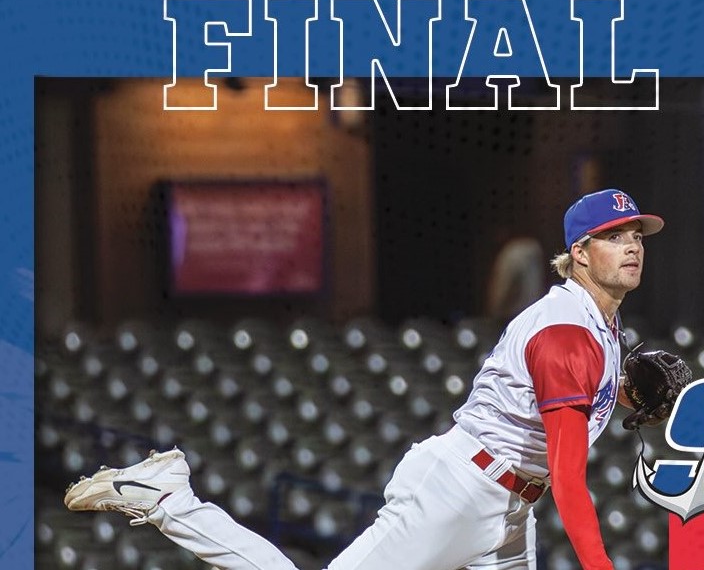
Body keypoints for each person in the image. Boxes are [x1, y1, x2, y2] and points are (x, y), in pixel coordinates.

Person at [65, 188, 664, 570]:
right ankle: (169, 499)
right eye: (615, 237)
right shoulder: (564, 332)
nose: (632, 246)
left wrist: (626, 394)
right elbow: (566, 475)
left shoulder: (600, 324)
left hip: (509, 507)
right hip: (460, 492)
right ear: (579, 253)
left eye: (637, 235)